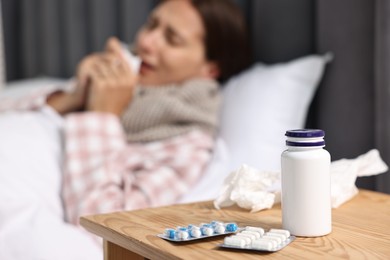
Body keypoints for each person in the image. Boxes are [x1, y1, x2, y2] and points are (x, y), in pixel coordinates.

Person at [0, 0, 250, 252]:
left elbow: (107, 229)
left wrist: (101, 114)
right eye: (151, 24)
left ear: (211, 68)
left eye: (172, 39)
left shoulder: (188, 147)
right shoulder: (111, 87)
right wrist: (75, 96)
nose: (146, 42)